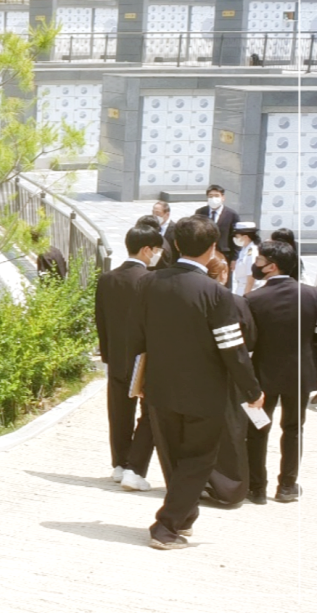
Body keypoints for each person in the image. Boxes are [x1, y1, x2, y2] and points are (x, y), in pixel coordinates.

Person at [127, 215, 263, 550]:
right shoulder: (215, 293)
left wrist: (138, 379)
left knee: (173, 455)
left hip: (159, 387)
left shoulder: (148, 283)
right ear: (213, 247)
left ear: (175, 244)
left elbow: (137, 336)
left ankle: (184, 516)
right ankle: (166, 527)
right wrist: (252, 390)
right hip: (205, 392)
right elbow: (232, 348)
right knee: (199, 458)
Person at [244, 241, 317, 504]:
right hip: (301, 373)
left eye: (259, 261)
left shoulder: (253, 299)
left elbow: (247, 341)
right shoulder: (312, 295)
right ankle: (287, 486)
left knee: (257, 429)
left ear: (271, 267)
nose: (256, 265)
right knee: (294, 428)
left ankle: (256, 488)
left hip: (261, 375)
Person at [95, 225, 162, 492]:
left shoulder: (107, 279)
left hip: (116, 357)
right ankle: (135, 466)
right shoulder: (151, 280)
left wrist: (107, 355)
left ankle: (119, 464)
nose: (157, 255)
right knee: (149, 414)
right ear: (147, 249)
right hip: (145, 357)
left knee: (119, 413)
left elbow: (101, 321)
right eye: (156, 250)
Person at [202, 253, 257, 506]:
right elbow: (250, 339)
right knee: (231, 431)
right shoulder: (235, 302)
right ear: (223, 274)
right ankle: (230, 486)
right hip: (230, 374)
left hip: (198, 373)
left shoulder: (194, 298)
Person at [195, 184, 240, 284]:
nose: (213, 199)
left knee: (224, 282)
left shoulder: (232, 215)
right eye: (210, 196)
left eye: (216, 196)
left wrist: (235, 258)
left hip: (224, 255)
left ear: (223, 197)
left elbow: (236, 237)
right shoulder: (200, 212)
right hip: (204, 254)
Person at [231, 221, 262, 296]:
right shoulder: (244, 250)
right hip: (240, 288)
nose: (235, 239)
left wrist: (246, 297)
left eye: (237, 237)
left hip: (248, 290)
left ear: (245, 237)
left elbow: (251, 278)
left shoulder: (252, 252)